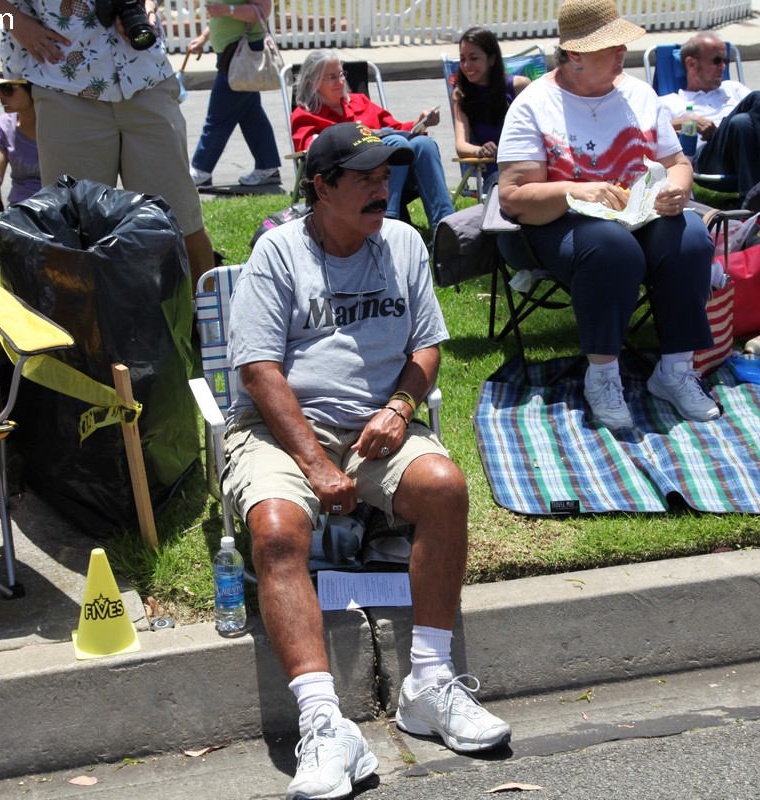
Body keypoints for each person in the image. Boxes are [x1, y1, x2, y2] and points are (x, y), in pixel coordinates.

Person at [223, 121, 511, 799]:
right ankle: (325, 722)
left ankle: (429, 684)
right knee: (275, 530)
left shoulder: (403, 243)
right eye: (365, 179)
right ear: (322, 188)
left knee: (444, 486)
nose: (383, 189)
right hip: (282, 429)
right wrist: (315, 464)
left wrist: (401, 408)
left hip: (378, 428)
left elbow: (426, 346)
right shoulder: (278, 253)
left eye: (386, 176)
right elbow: (258, 371)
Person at [497, 0, 719, 431]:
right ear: (575, 54)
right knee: (612, 247)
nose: (623, 52)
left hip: (641, 215)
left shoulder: (639, 94)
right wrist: (573, 190)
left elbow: (677, 162)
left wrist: (676, 188)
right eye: (610, 45)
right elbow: (513, 197)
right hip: (558, 223)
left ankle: (675, 370)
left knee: (691, 236)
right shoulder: (534, 104)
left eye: (621, 42)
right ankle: (602, 377)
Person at [0, 0, 216, 286]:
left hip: (146, 75)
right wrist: (16, 21)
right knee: (74, 236)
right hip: (64, 84)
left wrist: (148, 4)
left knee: (181, 223)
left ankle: (210, 313)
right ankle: (82, 317)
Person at [290, 49, 455, 230]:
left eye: (341, 74)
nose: (340, 81)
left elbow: (396, 127)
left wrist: (421, 122)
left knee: (424, 144)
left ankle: (446, 227)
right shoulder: (305, 115)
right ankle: (386, 224)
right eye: (331, 77)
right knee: (397, 143)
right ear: (312, 82)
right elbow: (312, 152)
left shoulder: (360, 101)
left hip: (391, 173)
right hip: (349, 179)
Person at [658, 33, 760, 199]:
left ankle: (752, 201)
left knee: (742, 122)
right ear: (692, 64)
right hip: (709, 159)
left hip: (748, 150)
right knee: (757, 99)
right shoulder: (671, 101)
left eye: (726, 60)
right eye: (716, 60)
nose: (723, 66)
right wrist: (688, 121)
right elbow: (652, 130)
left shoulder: (733, 88)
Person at [186, 0, 283, 188]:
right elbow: (220, 15)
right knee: (251, 116)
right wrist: (204, 37)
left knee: (218, 116)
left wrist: (227, 10)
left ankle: (201, 171)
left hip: (241, 54)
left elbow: (263, 11)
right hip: (233, 54)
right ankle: (268, 167)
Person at [450, 27, 532, 194]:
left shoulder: (519, 87)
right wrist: (480, 150)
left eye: (474, 58)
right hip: (497, 176)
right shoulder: (462, 96)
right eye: (462, 59)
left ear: (492, 59)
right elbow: (461, 145)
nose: (466, 65)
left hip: (530, 169)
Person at [0, 72, 41, 272]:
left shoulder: (55, 124)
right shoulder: (5, 124)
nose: (0, 95)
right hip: (20, 209)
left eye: (7, 89)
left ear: (32, 88)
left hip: (54, 209)